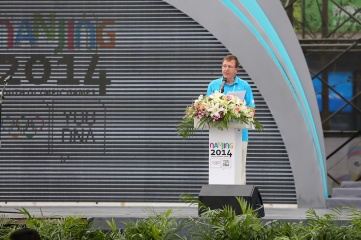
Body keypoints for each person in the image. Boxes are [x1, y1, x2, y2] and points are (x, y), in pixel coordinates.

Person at [206, 54, 255, 184]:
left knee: (239, 169)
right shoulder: (214, 85)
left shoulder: (245, 86)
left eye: (230, 66)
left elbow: (251, 109)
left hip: (240, 135)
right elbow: (206, 108)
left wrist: (241, 112)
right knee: (220, 168)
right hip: (218, 136)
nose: (226, 69)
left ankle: (239, 199)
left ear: (236, 69)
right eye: (224, 66)